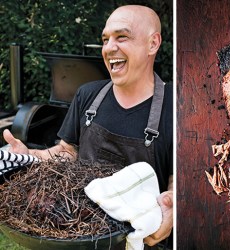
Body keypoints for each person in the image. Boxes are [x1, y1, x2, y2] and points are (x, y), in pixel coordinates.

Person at [3, 5, 173, 248]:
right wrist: (29, 155)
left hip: (142, 240)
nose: (109, 48)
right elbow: (66, 153)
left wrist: (172, 206)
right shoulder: (88, 96)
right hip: (83, 231)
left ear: (153, 44)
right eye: (105, 39)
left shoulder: (174, 107)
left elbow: (177, 182)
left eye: (121, 37)